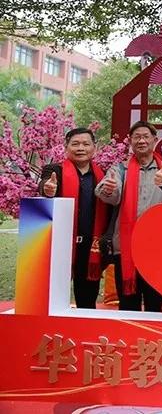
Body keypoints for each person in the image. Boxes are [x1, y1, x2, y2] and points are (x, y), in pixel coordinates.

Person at [95, 121, 162, 312]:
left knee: (154, 304)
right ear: (130, 141)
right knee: (128, 303)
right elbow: (108, 194)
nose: (141, 141)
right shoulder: (119, 169)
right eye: (136, 137)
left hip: (157, 246)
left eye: (145, 136)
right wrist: (109, 189)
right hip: (126, 245)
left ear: (155, 140)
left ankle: (152, 333)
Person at [39, 127, 110, 309]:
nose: (80, 148)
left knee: (87, 300)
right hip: (60, 244)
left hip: (91, 245)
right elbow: (45, 184)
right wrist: (47, 189)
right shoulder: (54, 170)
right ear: (66, 147)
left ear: (94, 148)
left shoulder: (102, 175)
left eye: (86, 144)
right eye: (75, 144)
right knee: (54, 298)